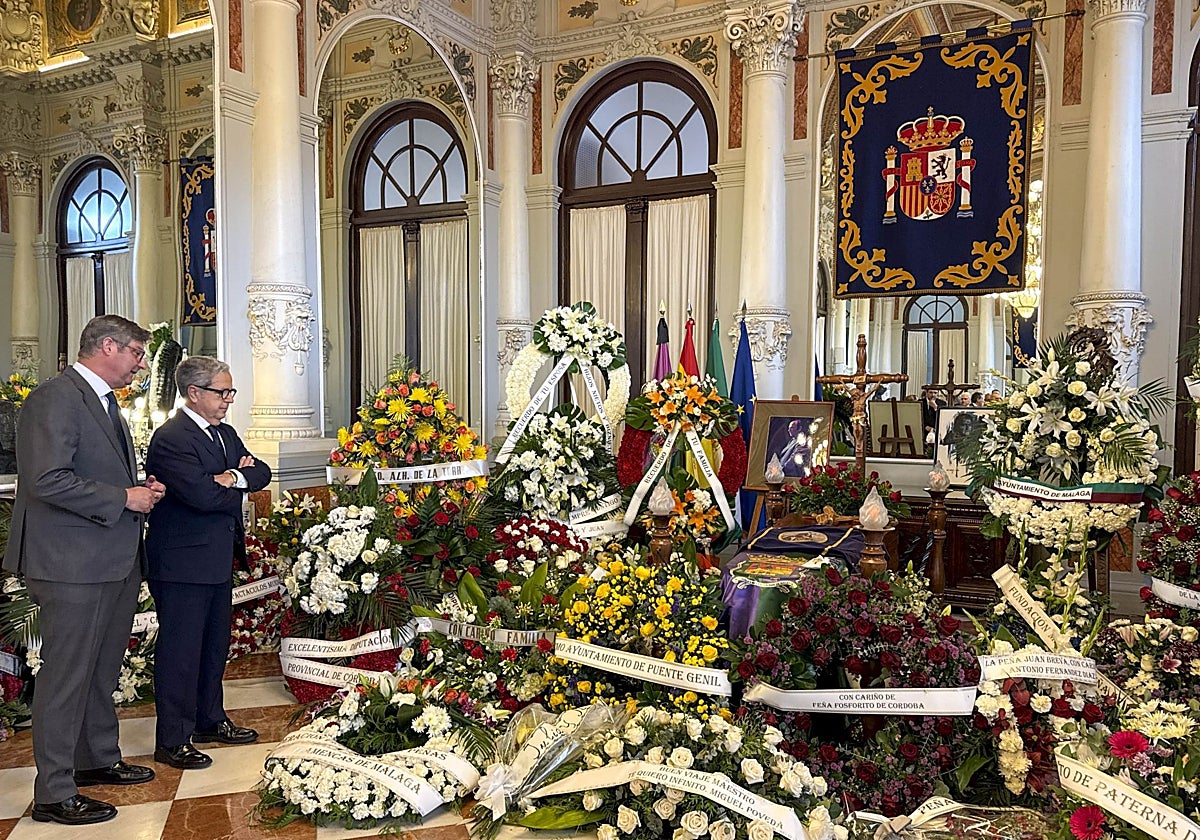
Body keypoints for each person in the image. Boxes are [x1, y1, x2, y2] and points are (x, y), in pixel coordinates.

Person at [3, 315, 164, 826]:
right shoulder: (56, 396)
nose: (140, 363)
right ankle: (53, 791)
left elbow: (94, 471)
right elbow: (46, 478)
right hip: (70, 562)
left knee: (100, 669)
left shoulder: (103, 402)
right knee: (67, 676)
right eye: (137, 353)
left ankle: (95, 759)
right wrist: (123, 496)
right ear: (108, 345)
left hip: (110, 557)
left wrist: (140, 491)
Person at [144, 357, 271, 770]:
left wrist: (229, 477)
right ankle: (173, 739)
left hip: (216, 558)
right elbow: (200, 496)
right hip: (181, 563)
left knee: (214, 647)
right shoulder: (172, 438)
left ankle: (208, 719)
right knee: (181, 652)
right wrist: (236, 478)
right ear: (194, 393)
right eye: (223, 392)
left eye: (230, 392)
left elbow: (263, 473)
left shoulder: (225, 435)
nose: (229, 400)